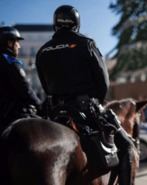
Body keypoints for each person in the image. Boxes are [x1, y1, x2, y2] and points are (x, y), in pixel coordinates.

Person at [36, 5, 135, 185]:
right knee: (127, 146)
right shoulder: (86, 43)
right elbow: (103, 81)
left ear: (55, 24)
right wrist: (96, 101)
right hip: (85, 108)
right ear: (76, 23)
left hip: (55, 111)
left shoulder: (42, 51)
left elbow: (45, 86)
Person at [0, 26, 41, 132]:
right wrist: (40, 105)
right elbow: (25, 89)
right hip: (11, 114)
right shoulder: (10, 62)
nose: (19, 46)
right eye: (17, 42)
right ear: (9, 43)